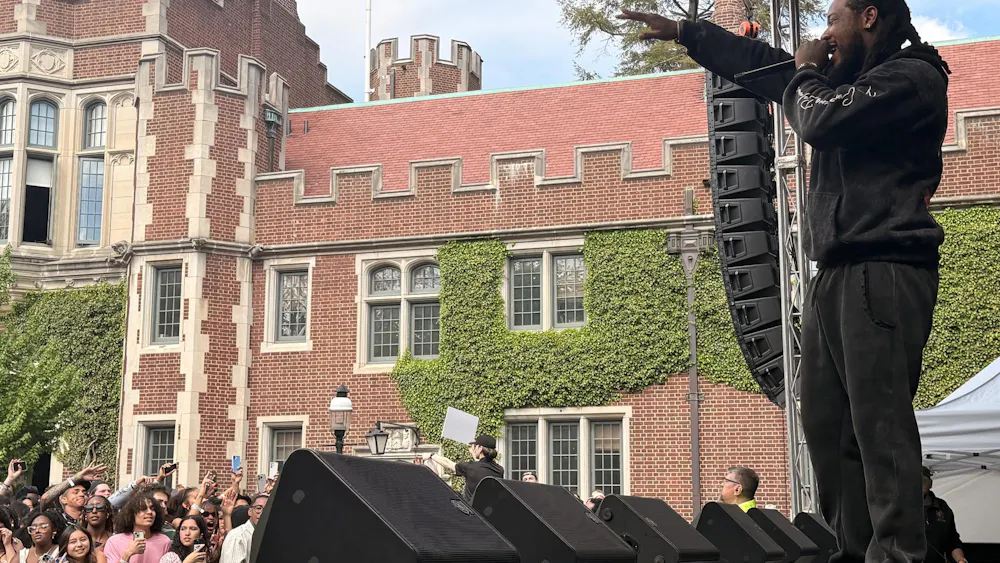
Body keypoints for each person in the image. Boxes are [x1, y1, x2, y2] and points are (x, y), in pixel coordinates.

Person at [618, 1, 949, 561]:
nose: (826, 33)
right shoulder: (841, 83)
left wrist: (806, 72)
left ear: (869, 17)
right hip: (834, 273)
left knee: (879, 424)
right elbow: (765, 67)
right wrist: (685, 32)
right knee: (825, 426)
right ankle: (853, 551)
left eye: (834, 19)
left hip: (885, 267)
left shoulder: (912, 77)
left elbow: (820, 120)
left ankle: (898, 554)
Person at [423, 435, 504, 502]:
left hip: (472, 512)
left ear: (480, 448)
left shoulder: (471, 467)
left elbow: (449, 464)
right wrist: (474, 454)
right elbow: (481, 468)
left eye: (475, 446)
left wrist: (432, 455)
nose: (473, 448)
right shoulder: (499, 470)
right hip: (488, 512)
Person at [104, 493, 172, 563]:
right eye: (143, 509)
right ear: (131, 514)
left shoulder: (164, 541)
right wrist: (128, 554)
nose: (149, 512)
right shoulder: (115, 542)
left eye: (152, 509)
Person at [922, 467, 967, 563]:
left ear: (930, 483)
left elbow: (953, 542)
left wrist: (960, 560)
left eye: (923, 480)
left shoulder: (942, 507)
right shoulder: (899, 508)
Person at [219, 495, 267, 563]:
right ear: (250, 511)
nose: (263, 513)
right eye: (259, 508)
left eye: (267, 509)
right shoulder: (238, 536)